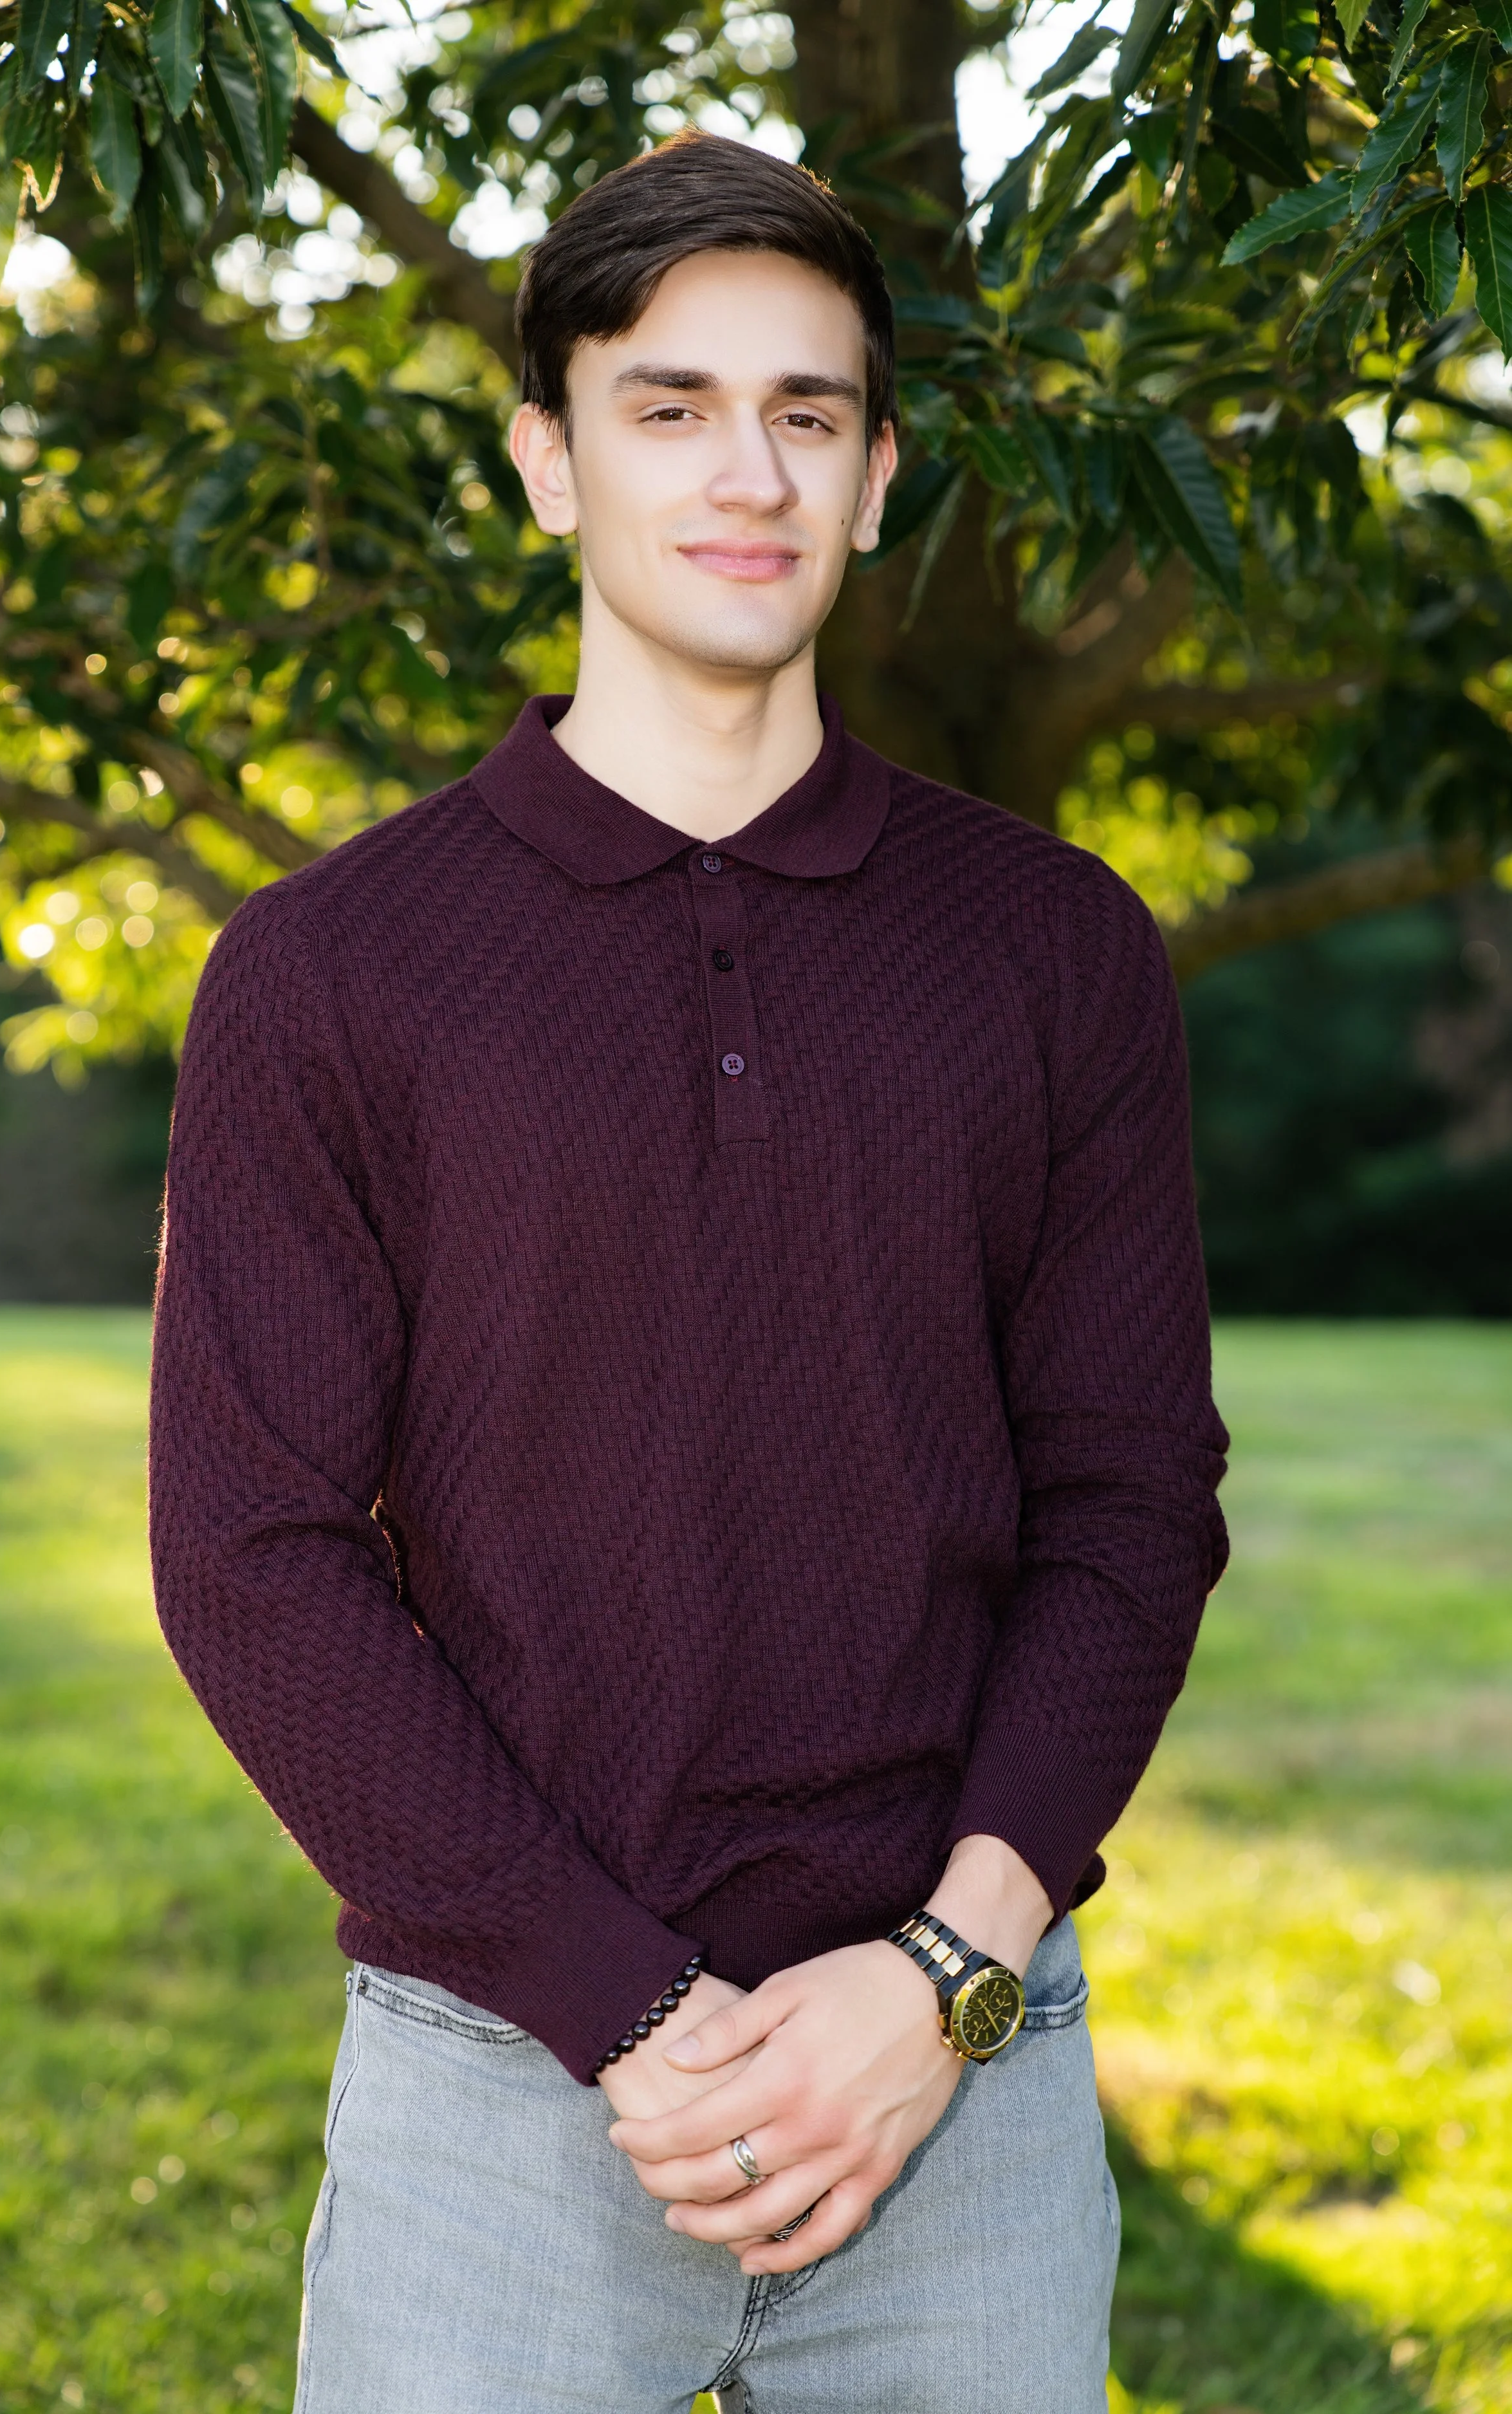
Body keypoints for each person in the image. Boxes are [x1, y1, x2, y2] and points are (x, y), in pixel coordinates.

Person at [148, 129, 1229, 2414]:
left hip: (962, 2063)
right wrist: (630, 2014)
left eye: (806, 414)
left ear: (873, 475)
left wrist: (944, 1970)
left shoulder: (1050, 949)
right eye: (668, 405)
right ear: (548, 460)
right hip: (499, 2083)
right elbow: (250, 1557)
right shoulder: (329, 973)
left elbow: (1131, 1505)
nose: (745, 471)